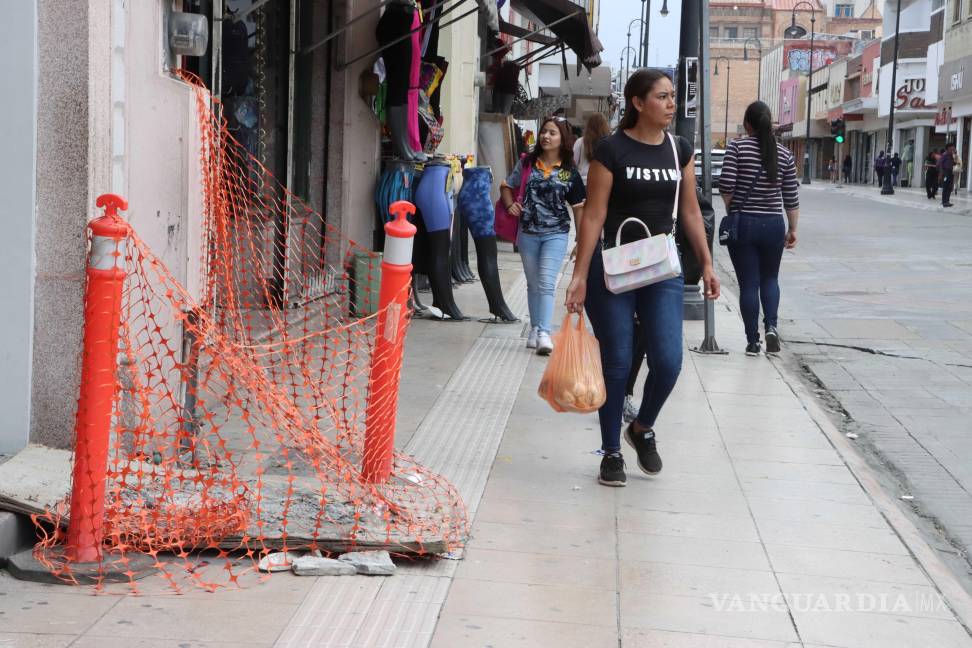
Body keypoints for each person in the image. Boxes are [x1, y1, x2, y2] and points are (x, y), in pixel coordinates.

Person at [565, 69, 719, 487]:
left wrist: (706, 262)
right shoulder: (611, 151)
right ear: (637, 102)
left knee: (668, 361)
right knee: (617, 360)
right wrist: (579, 275)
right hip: (611, 268)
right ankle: (611, 452)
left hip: (660, 269)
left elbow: (689, 211)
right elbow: (593, 215)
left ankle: (641, 426)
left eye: (672, 97)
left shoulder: (678, 150)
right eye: (662, 97)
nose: (671, 104)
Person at [719, 101, 800, 357]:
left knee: (749, 284)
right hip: (774, 224)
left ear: (747, 124)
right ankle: (772, 327)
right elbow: (791, 196)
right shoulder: (785, 154)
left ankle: (753, 341)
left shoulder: (737, 148)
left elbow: (726, 186)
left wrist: (733, 209)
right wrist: (793, 228)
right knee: (770, 278)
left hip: (744, 224)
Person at [500, 117, 586, 355]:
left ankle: (545, 332)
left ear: (563, 140)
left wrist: (580, 239)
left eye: (553, 133)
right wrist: (510, 206)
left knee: (547, 283)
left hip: (556, 234)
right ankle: (536, 327)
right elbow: (506, 185)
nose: (546, 136)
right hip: (527, 232)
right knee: (533, 283)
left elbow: (578, 206)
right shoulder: (528, 163)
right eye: (544, 132)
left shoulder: (568, 172)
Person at [573, 112, 611, 186]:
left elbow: (573, 162)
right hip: (602, 183)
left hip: (582, 182)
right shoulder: (609, 143)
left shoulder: (580, 141)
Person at [939, 143, 957, 207]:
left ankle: (947, 201)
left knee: (949, 187)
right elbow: (940, 164)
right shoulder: (944, 155)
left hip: (950, 172)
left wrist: (955, 154)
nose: (953, 149)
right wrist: (941, 173)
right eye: (952, 147)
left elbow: (953, 162)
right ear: (948, 148)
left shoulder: (951, 155)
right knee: (946, 187)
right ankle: (944, 202)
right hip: (945, 172)